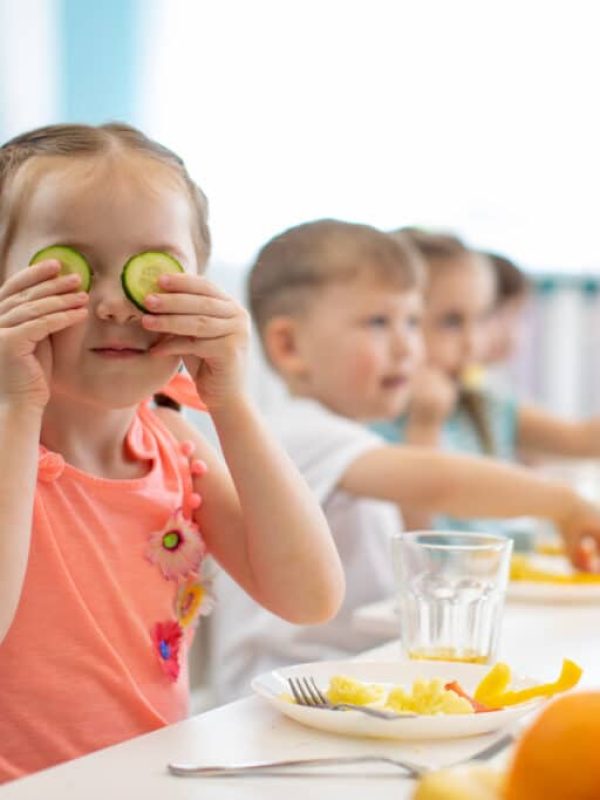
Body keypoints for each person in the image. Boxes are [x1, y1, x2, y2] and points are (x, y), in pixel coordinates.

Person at [0, 124, 344, 783]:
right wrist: (16, 406)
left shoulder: (176, 445)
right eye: (72, 265)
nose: (114, 303)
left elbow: (309, 596)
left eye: (150, 271)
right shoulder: (7, 445)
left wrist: (233, 404)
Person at [210, 219, 600, 702]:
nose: (405, 347)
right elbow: (441, 484)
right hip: (275, 696)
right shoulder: (297, 431)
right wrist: (561, 502)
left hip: (349, 683)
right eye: (378, 323)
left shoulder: (352, 436)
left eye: (412, 322)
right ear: (290, 347)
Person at [373, 229, 600, 533]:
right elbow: (412, 548)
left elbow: (580, 439)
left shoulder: (483, 402)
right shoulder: (371, 424)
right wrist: (424, 425)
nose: (473, 342)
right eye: (451, 322)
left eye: (481, 319)